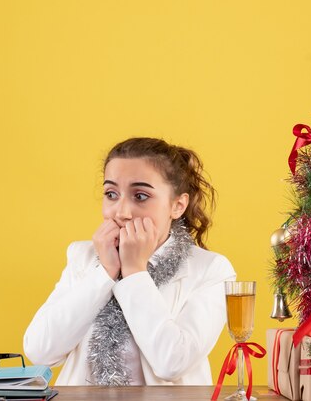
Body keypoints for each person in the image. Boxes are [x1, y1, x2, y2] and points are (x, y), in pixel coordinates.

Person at [23, 137, 236, 386]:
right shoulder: (83, 257)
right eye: (111, 194)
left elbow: (173, 362)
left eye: (141, 196)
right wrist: (105, 272)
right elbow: (40, 350)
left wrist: (135, 272)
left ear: (177, 206)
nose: (121, 212)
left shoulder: (211, 270)